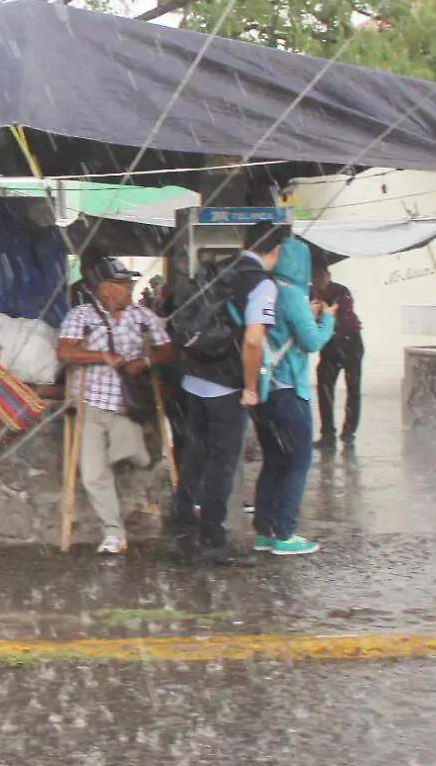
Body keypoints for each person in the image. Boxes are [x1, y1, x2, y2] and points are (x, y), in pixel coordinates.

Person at [171, 221, 288, 566]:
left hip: (193, 379)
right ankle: (212, 539)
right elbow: (253, 341)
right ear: (276, 252)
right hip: (225, 385)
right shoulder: (261, 284)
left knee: (194, 457)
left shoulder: (216, 269)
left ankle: (180, 532)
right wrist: (251, 388)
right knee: (222, 463)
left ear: (244, 242)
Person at [56, 258, 171, 555]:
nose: (129, 288)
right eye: (122, 284)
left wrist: (143, 362)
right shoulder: (81, 316)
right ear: (105, 289)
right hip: (91, 404)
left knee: (138, 455)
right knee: (92, 473)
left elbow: (166, 349)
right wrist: (100, 357)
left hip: (124, 407)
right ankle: (114, 534)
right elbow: (64, 352)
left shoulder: (141, 315)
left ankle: (130, 456)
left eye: (129, 283)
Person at [251, 237, 334, 557]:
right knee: (298, 462)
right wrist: (327, 320)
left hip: (265, 391)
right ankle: (285, 534)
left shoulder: (266, 290)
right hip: (290, 392)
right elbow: (312, 342)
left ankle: (264, 531)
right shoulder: (293, 295)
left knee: (273, 462)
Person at [311, 265, 364, 449]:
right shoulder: (311, 293)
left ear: (327, 275)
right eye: (314, 277)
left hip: (350, 343)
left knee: (353, 388)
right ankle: (327, 434)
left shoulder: (342, 291)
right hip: (329, 346)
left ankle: (349, 431)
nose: (317, 281)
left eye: (319, 276)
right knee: (324, 388)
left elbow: (343, 312)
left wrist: (325, 311)